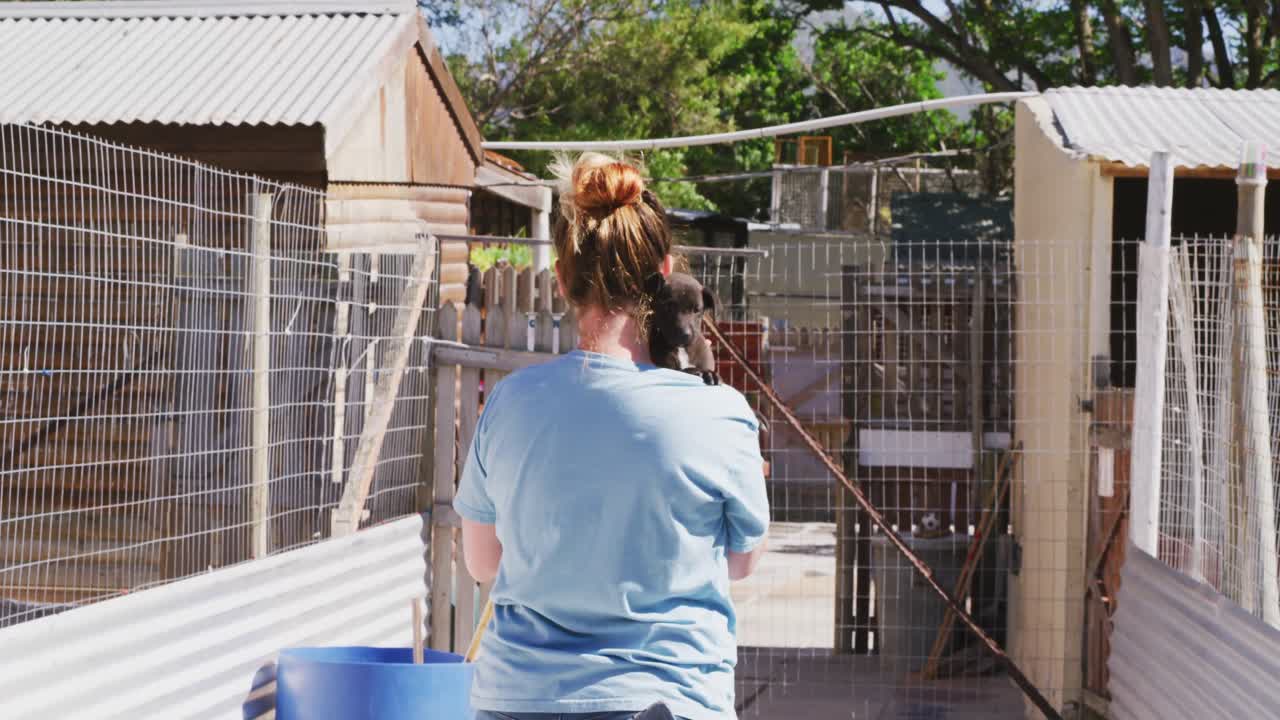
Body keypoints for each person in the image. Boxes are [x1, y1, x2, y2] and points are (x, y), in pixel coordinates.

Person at [454, 153, 770, 720]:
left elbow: (483, 563)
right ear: (666, 271)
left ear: (561, 279)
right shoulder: (722, 414)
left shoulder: (509, 405)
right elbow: (740, 565)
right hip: (666, 700)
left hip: (520, 701)